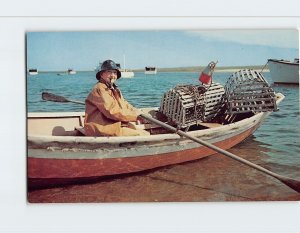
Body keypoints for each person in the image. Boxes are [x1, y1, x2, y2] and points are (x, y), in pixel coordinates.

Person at [84, 59, 150, 137]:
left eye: (114, 72)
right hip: (102, 127)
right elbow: (112, 111)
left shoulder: (113, 88)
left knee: (143, 132)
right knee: (144, 135)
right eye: (109, 72)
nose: (112, 75)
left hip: (112, 124)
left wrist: (139, 113)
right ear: (101, 74)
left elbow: (124, 104)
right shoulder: (99, 89)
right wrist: (136, 116)